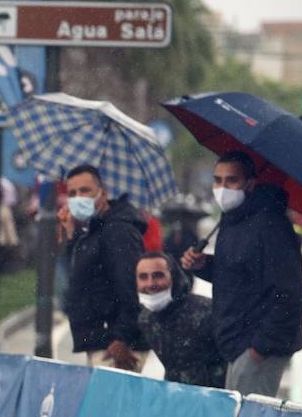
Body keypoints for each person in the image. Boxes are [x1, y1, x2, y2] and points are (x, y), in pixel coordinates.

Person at [182, 152, 302, 397]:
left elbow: (291, 296)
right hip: (234, 344)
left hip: (255, 347)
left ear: (250, 183)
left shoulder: (270, 225)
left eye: (231, 181)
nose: (222, 188)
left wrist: (260, 348)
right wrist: (203, 265)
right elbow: (238, 274)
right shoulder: (233, 220)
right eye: (217, 180)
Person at [58, 164, 149, 372]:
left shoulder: (118, 230)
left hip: (116, 347)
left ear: (103, 194)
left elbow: (132, 287)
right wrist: (73, 235)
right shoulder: (95, 229)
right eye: (72, 193)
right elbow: (83, 279)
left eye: (85, 190)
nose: (78, 198)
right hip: (101, 341)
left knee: (111, 404)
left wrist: (122, 338)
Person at [134, 251, 225, 389]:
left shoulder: (207, 311)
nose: (150, 283)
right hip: (176, 398)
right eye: (143, 277)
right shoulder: (146, 318)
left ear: (174, 277)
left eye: (158, 275)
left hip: (214, 397)